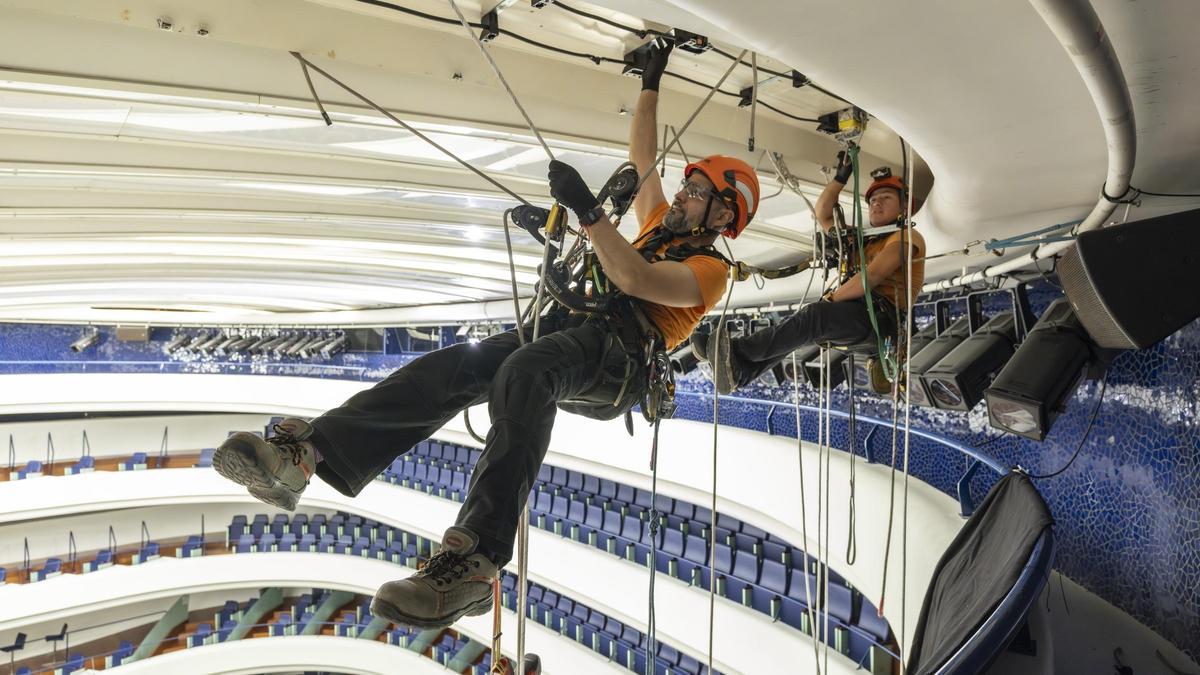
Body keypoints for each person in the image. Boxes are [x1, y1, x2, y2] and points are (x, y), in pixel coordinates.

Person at [210, 37, 760, 629]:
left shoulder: (711, 273)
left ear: (726, 215)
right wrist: (652, 80)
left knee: (528, 371)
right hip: (569, 329)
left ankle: (475, 560)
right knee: (455, 366)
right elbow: (643, 153)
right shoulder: (659, 220)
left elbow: (631, 274)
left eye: (698, 192)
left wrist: (588, 212)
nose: (681, 193)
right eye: (688, 184)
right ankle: (310, 455)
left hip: (618, 361)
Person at [695, 153, 926, 394]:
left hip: (881, 324)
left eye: (886, 197)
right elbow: (823, 214)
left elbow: (873, 277)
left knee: (814, 316)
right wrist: (840, 178)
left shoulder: (906, 237)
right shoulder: (862, 240)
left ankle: (736, 352)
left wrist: (832, 300)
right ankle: (741, 372)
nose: (876, 203)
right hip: (859, 316)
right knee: (802, 327)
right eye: (873, 199)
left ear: (904, 206)